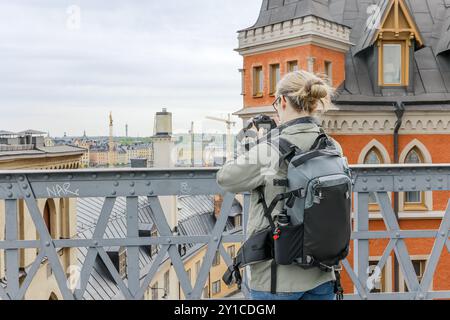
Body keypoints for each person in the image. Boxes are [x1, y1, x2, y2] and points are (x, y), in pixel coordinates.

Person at [217, 70, 343, 300]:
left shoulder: (271, 149)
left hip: (277, 280)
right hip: (323, 274)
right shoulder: (332, 145)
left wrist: (253, 140)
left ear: (283, 101)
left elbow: (226, 177)